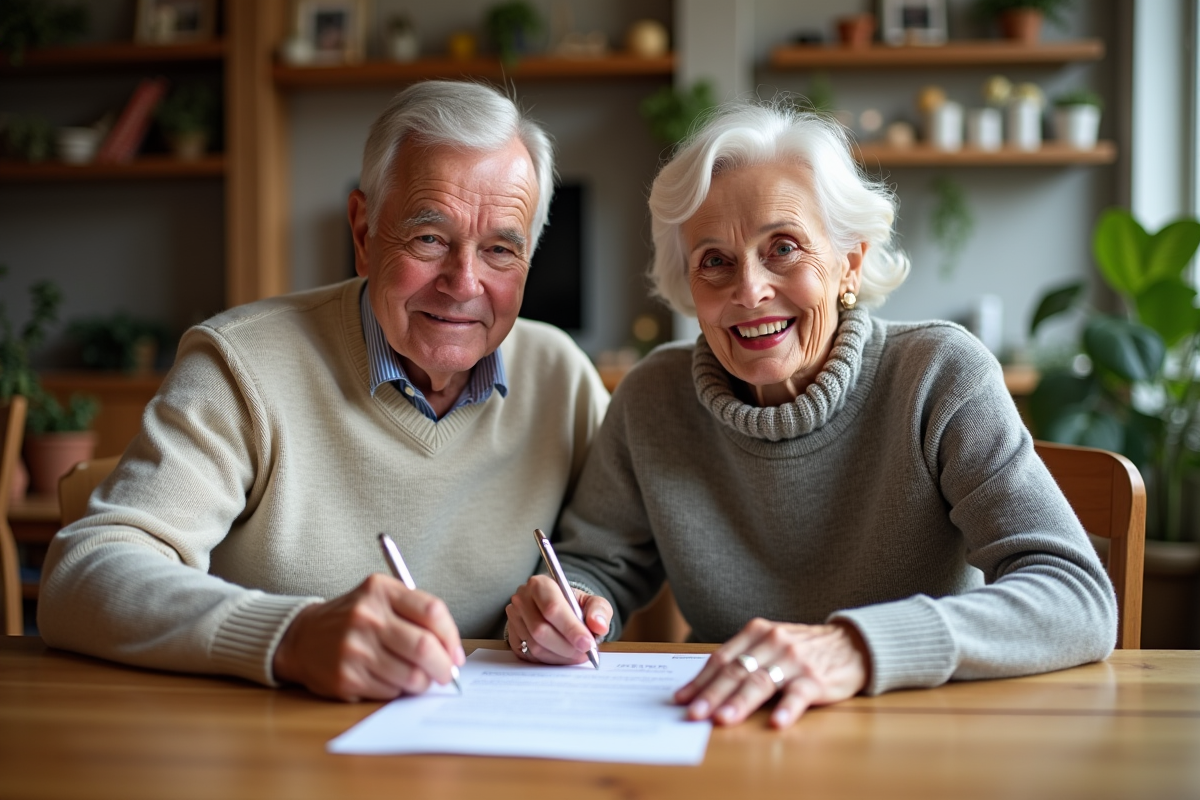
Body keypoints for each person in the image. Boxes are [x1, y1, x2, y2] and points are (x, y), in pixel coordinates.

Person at [505, 100, 1116, 728]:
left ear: (849, 260)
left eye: (784, 248)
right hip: (726, 728)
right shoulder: (653, 397)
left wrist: (855, 647)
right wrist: (568, 604)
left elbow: (1075, 596)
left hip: (922, 732)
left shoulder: (939, 375)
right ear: (689, 287)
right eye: (714, 261)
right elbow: (597, 563)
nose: (749, 291)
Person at [38, 80, 609, 702]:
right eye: (429, 238)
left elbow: (605, 559)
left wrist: (572, 609)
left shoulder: (562, 375)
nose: (463, 283)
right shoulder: (242, 364)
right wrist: (292, 636)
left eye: (501, 249)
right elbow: (84, 573)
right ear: (363, 233)